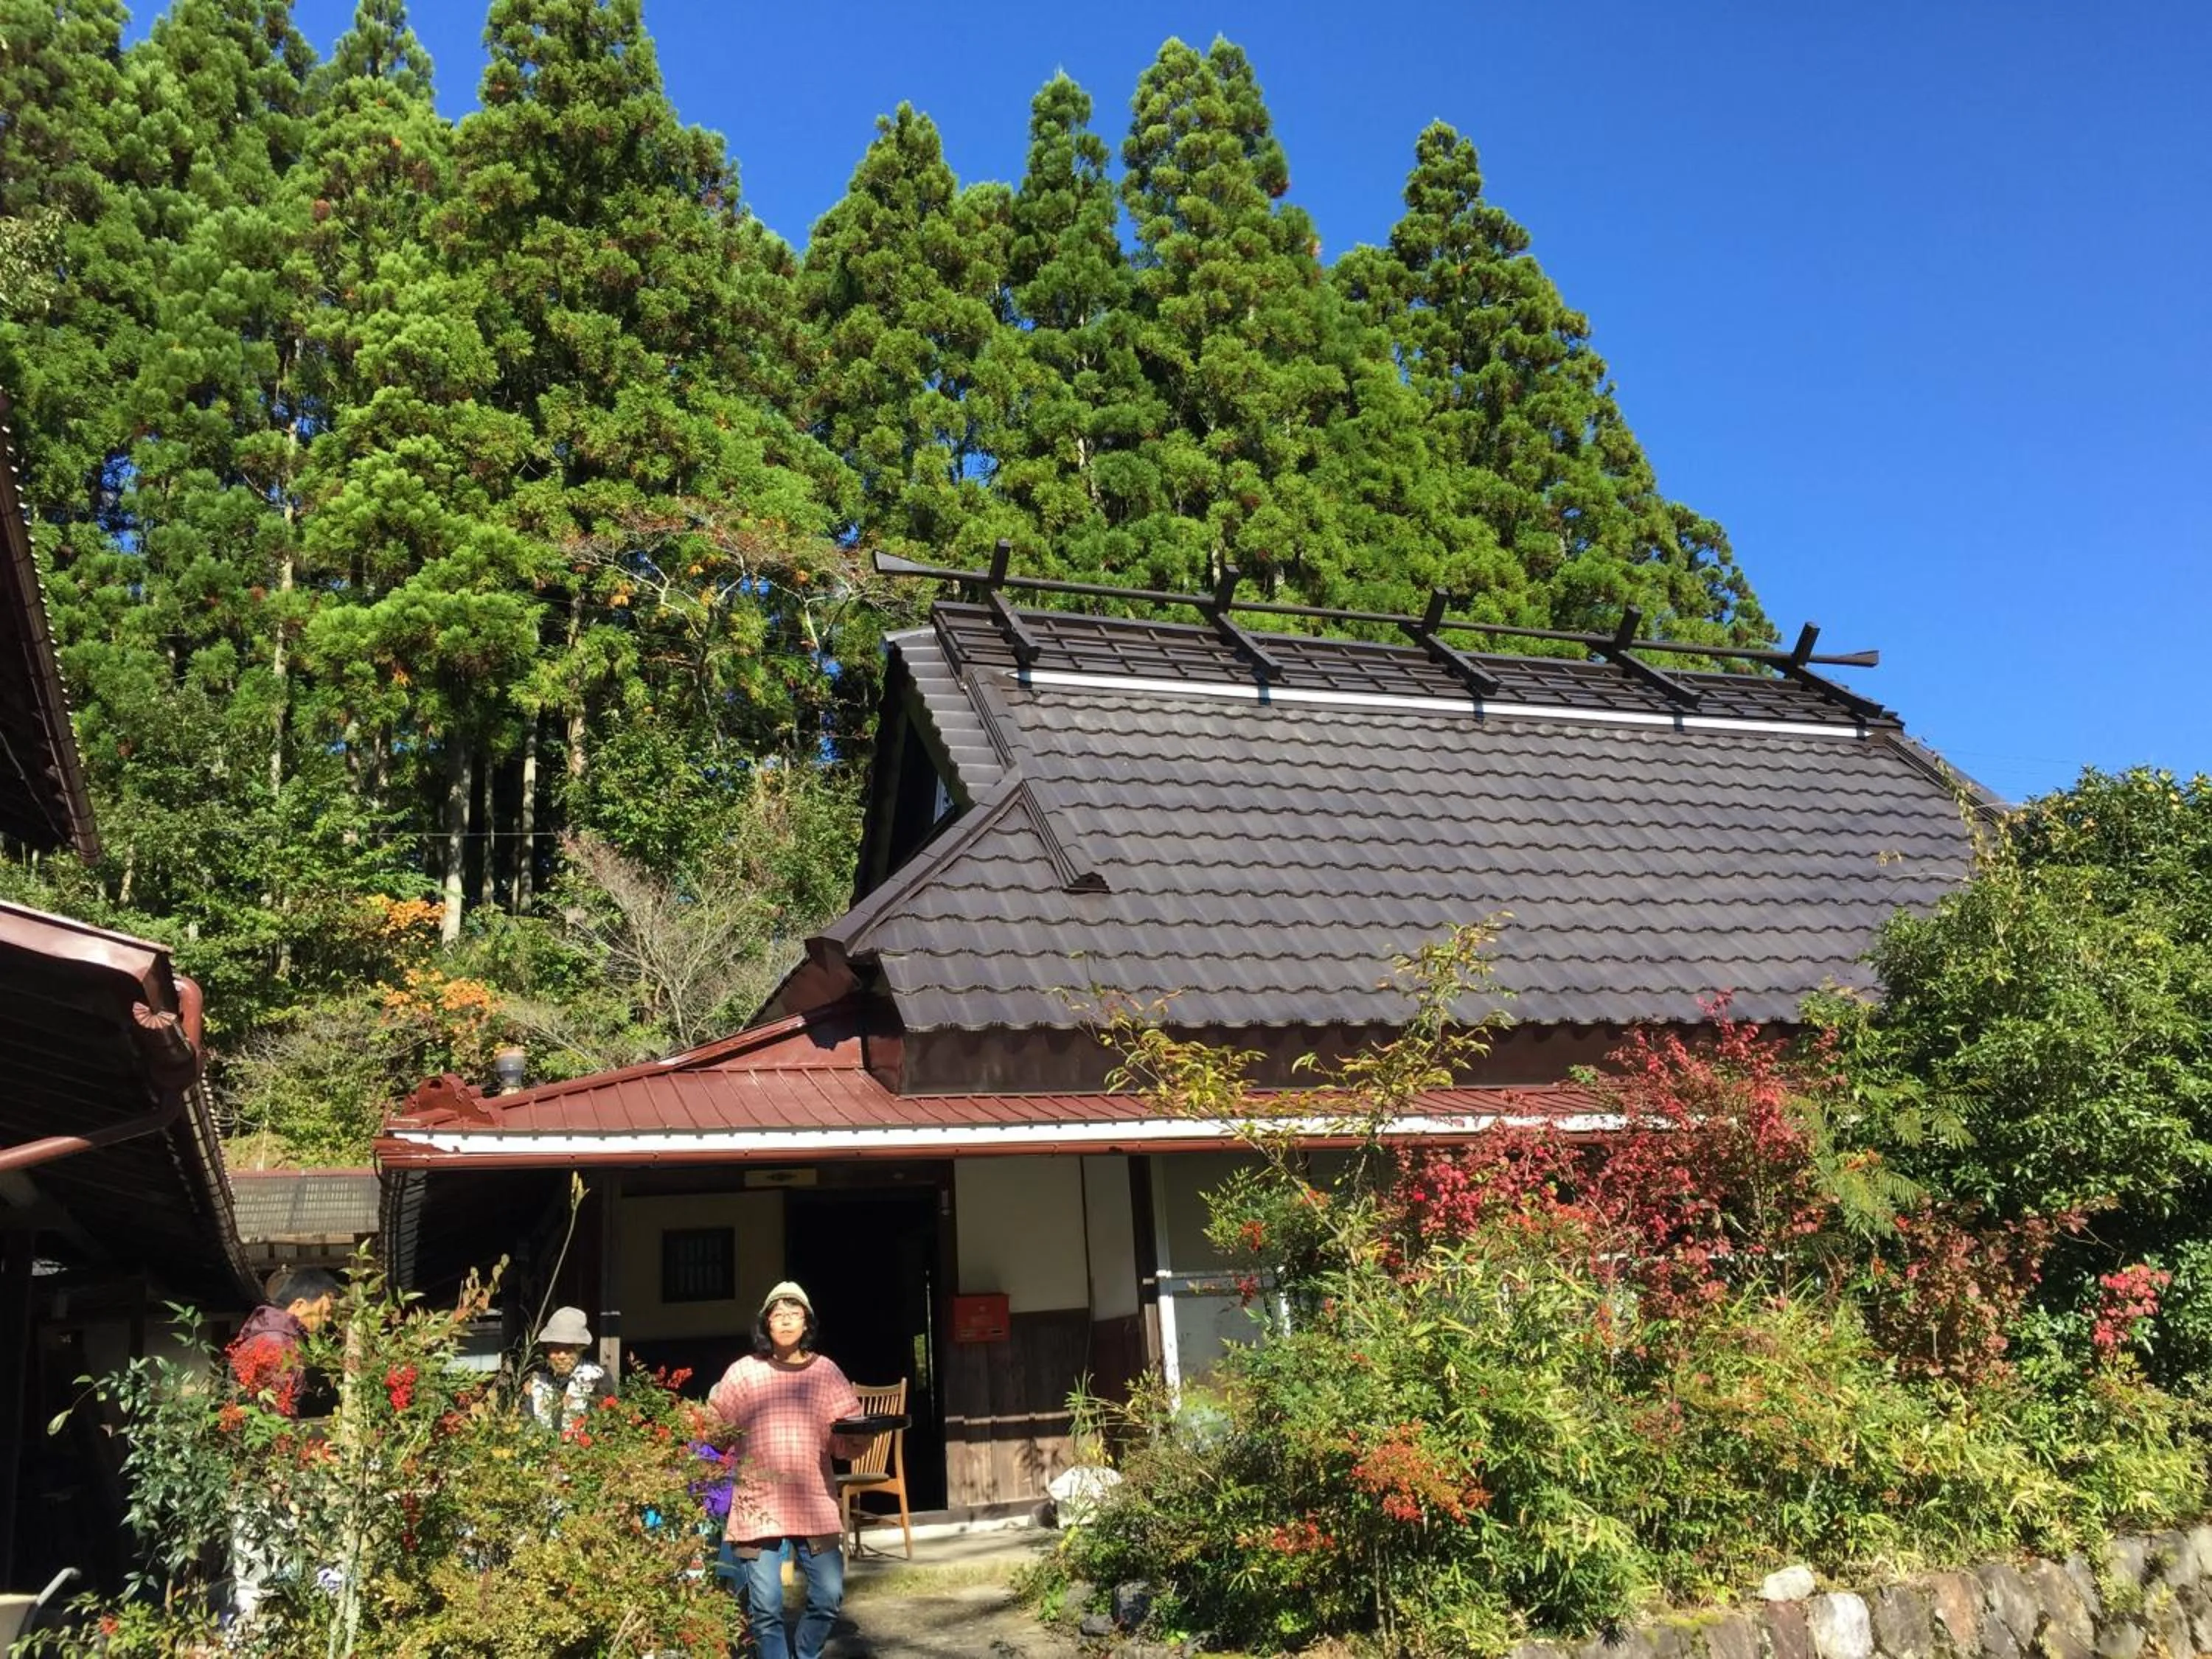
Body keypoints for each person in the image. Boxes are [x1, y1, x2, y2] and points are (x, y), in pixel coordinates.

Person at [706, 1281, 872, 1659]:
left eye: (794, 1314)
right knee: (765, 1609)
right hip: (757, 1504)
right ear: (765, 1323)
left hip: (814, 1500)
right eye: (777, 1314)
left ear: (806, 1323)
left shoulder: (826, 1372)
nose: (785, 1321)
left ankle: (805, 1654)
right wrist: (700, 1420)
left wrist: (862, 1439)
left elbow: (846, 1435)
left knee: (829, 1596)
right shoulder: (744, 1372)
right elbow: (716, 1431)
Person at [227, 1267, 340, 1419]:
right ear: (299, 1305)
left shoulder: (271, 1336)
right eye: (324, 1312)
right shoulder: (277, 1344)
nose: (328, 1319)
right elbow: (275, 1413)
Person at [521, 1306, 610, 1431]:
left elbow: (606, 1425)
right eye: (555, 1348)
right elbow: (526, 1424)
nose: (562, 1356)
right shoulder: (539, 1382)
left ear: (580, 1348)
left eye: (569, 1348)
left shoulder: (596, 1377)